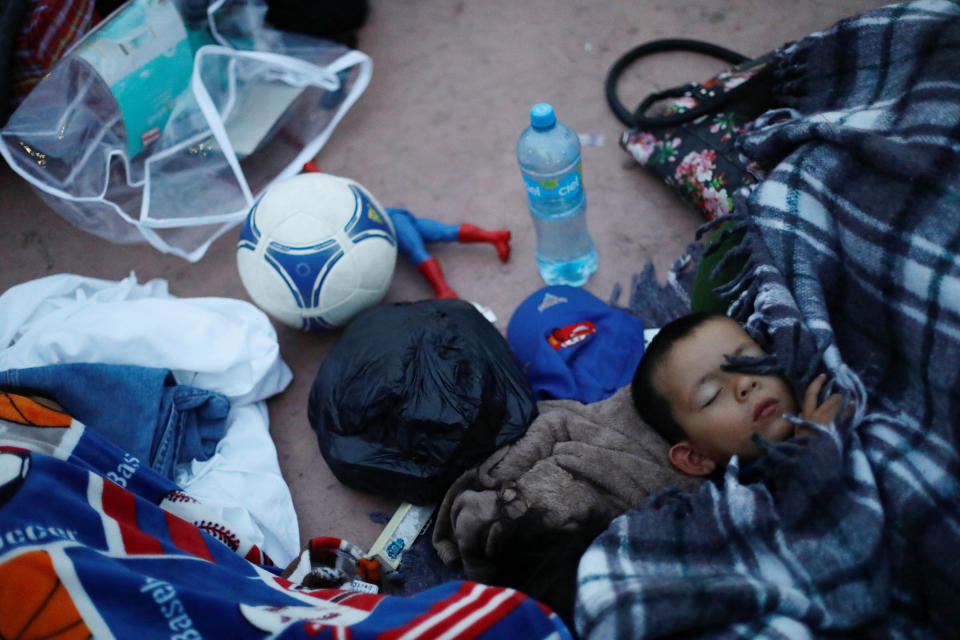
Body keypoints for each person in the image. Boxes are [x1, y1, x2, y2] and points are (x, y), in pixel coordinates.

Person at [631, 312, 844, 476]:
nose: (745, 383)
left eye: (750, 360)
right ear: (695, 457)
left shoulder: (834, 386)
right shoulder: (736, 505)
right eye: (711, 395)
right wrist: (810, 453)